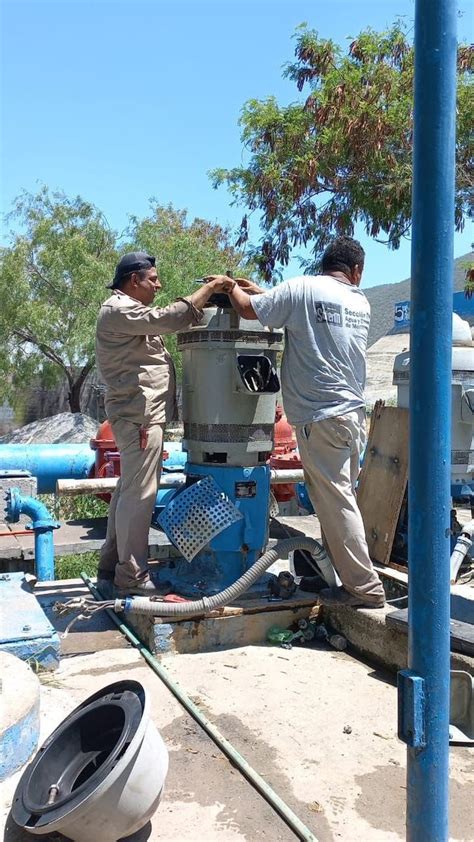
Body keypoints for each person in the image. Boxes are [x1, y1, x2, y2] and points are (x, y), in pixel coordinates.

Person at [206, 236, 385, 608]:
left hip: (320, 418)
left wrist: (228, 287)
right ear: (356, 271)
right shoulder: (358, 300)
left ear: (324, 261)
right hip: (351, 415)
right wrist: (265, 293)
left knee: (336, 505)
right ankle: (334, 578)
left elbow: (250, 310)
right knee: (339, 500)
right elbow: (304, 309)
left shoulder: (303, 287)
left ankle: (364, 589)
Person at [96, 252, 229, 595]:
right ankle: (133, 576)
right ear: (133, 281)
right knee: (141, 495)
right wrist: (211, 288)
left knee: (130, 491)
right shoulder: (118, 308)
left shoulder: (131, 312)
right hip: (139, 417)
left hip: (142, 414)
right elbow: (169, 318)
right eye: (152, 279)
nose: (158, 284)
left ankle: (112, 567)